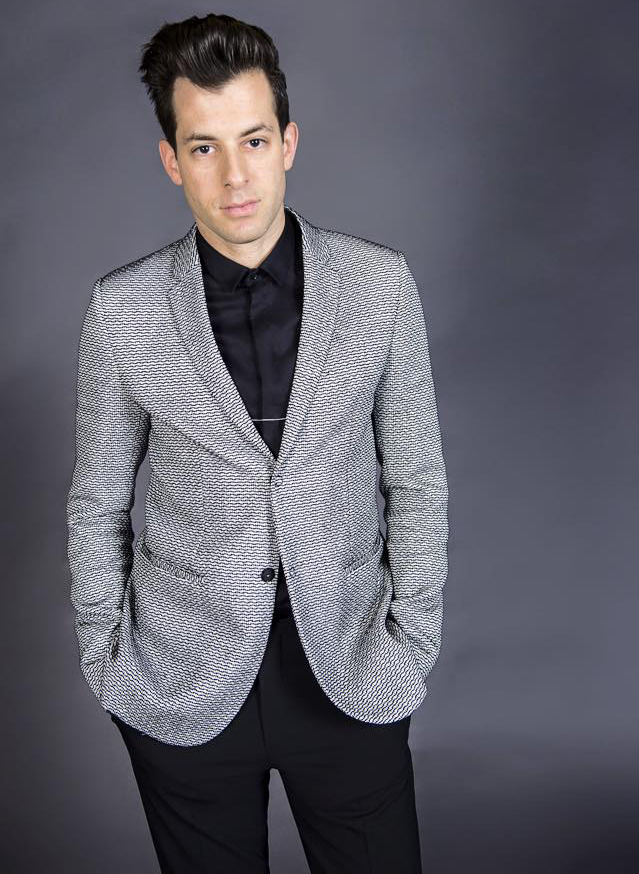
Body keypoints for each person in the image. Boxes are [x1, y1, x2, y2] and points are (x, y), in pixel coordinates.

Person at [66, 12, 449, 873]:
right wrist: (106, 655)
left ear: (288, 143)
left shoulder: (380, 286)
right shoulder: (121, 311)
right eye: (203, 147)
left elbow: (416, 478)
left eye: (253, 140)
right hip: (183, 683)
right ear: (171, 160)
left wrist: (410, 641)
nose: (234, 175)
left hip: (348, 672)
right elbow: (96, 500)